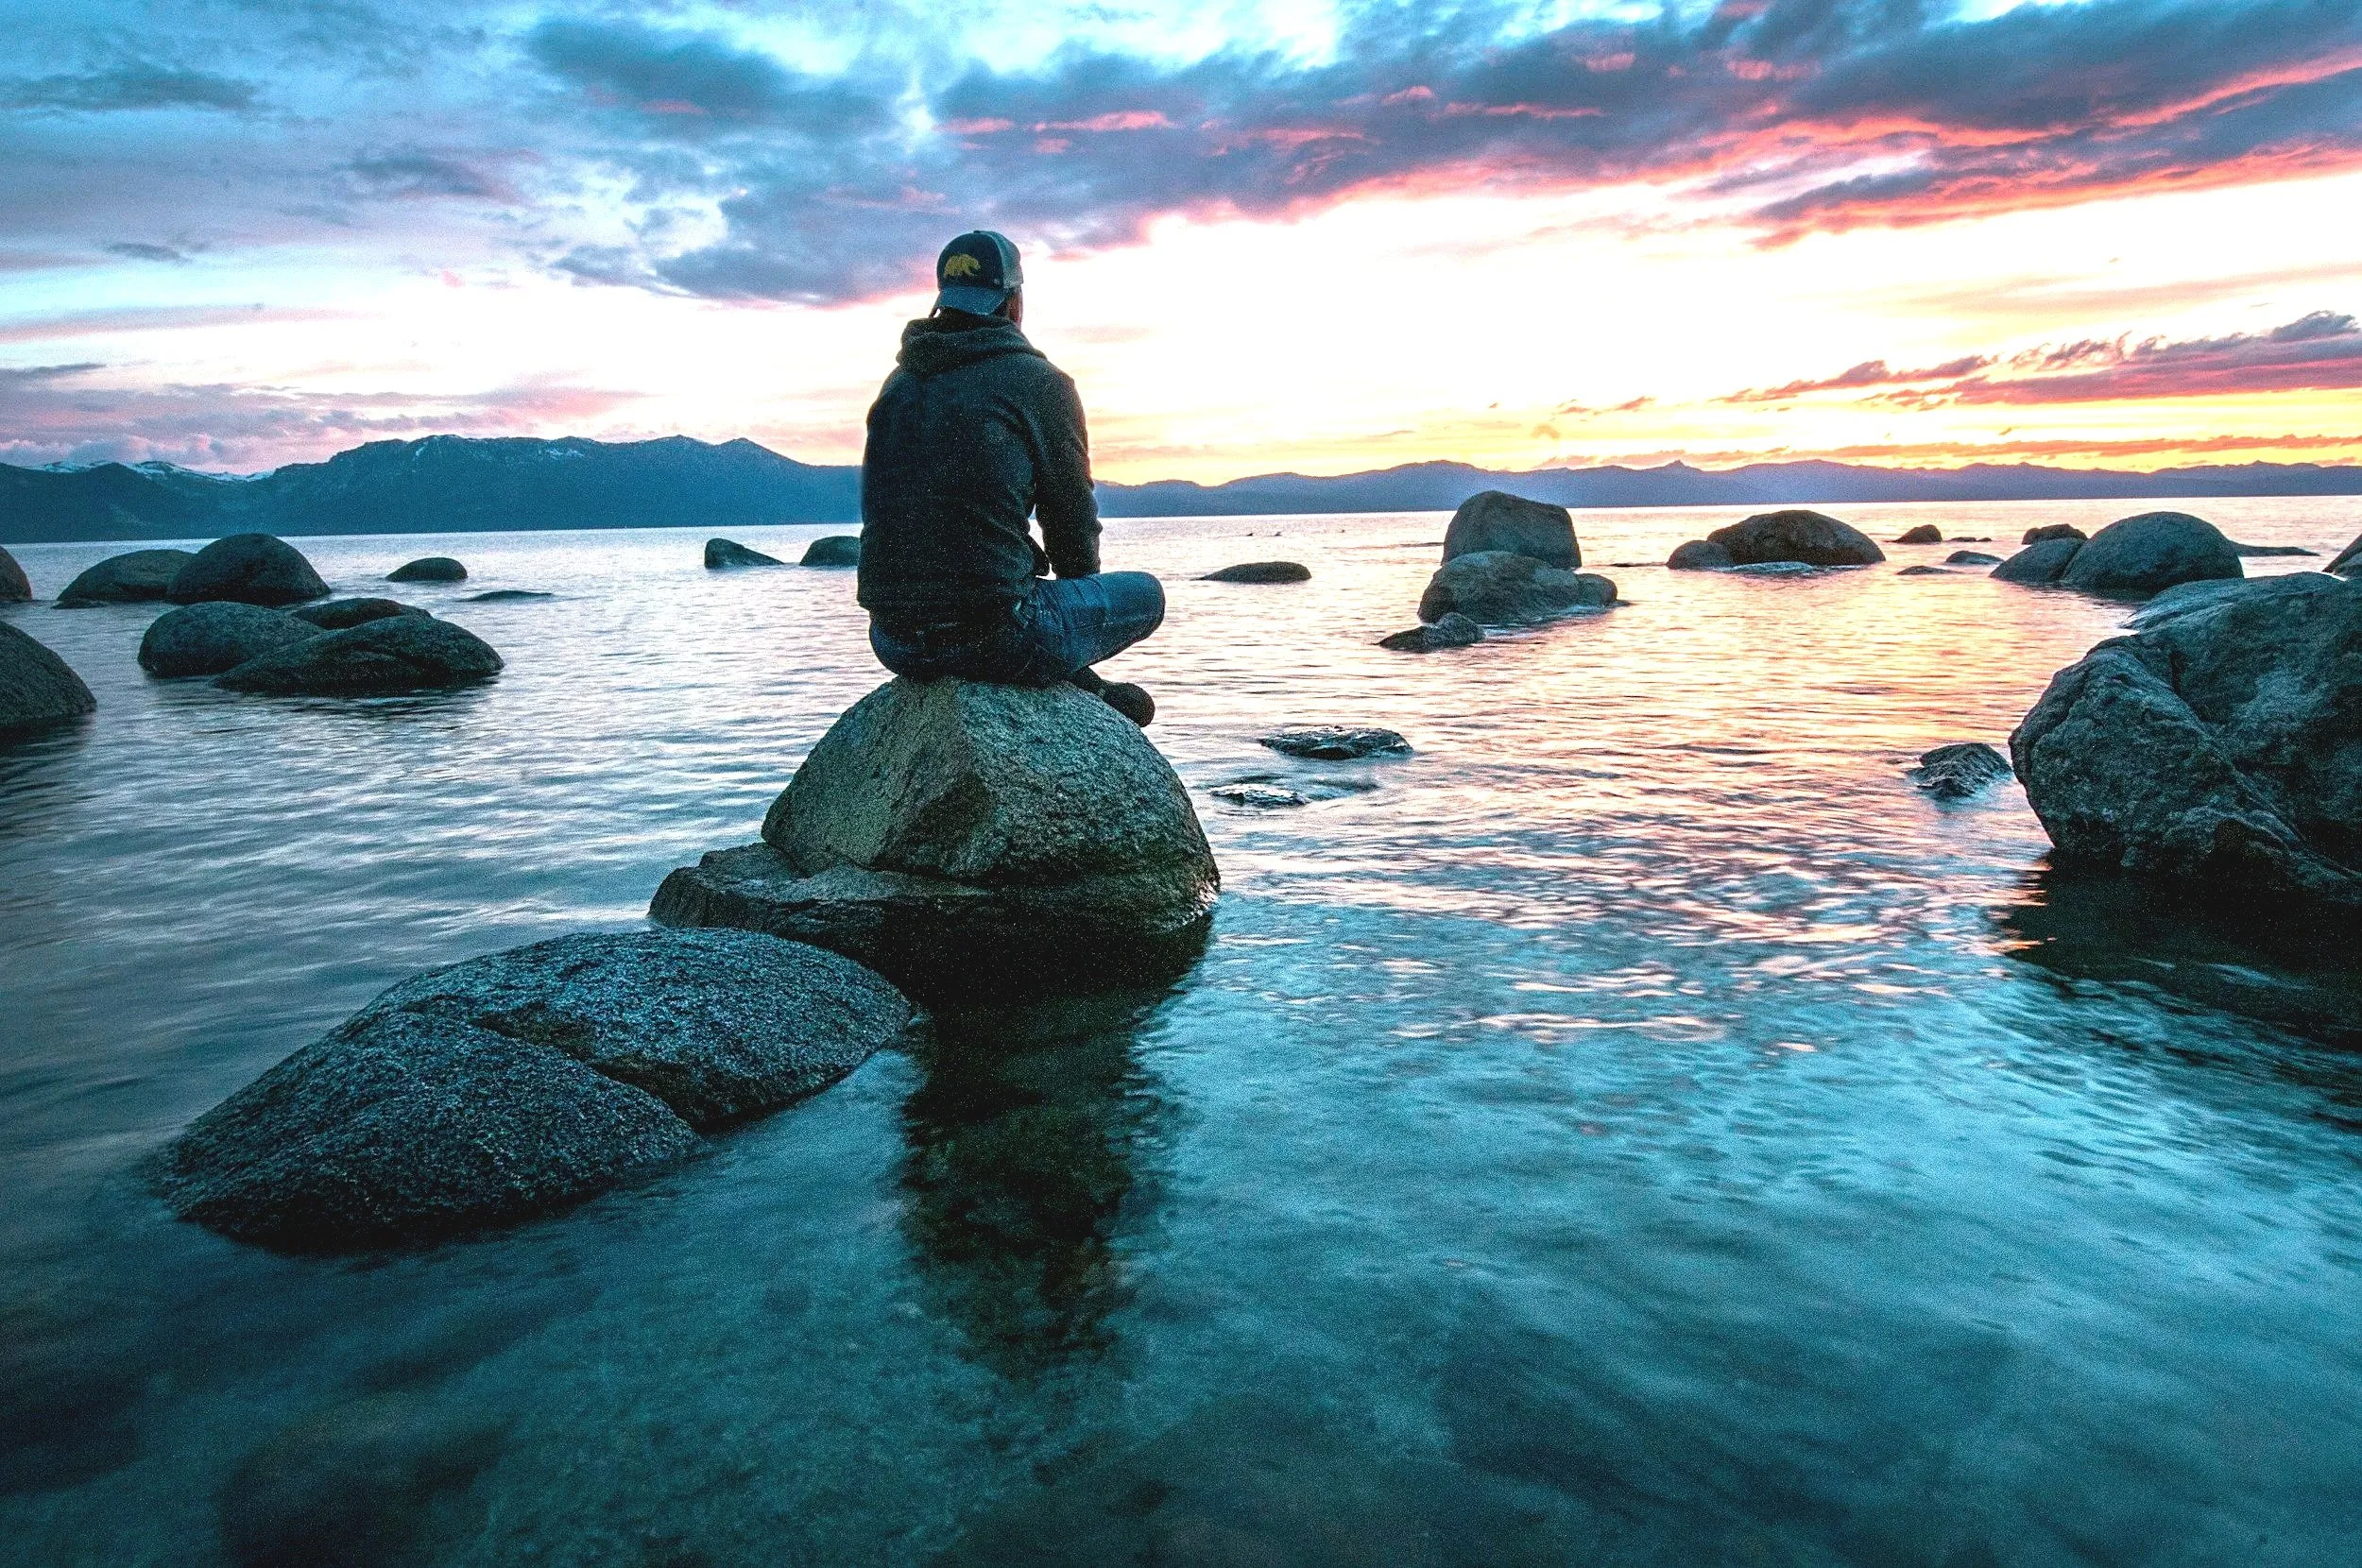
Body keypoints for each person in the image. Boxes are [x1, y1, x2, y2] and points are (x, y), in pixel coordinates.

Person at [857, 230, 1163, 725]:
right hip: (996, 635)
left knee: (1011, 585)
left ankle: (1077, 678)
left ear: (943, 301)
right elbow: (1070, 520)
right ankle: (1077, 678)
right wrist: (1072, 614)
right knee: (1146, 595)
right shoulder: (1040, 383)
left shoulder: (899, 385)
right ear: (1014, 301)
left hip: (892, 640)